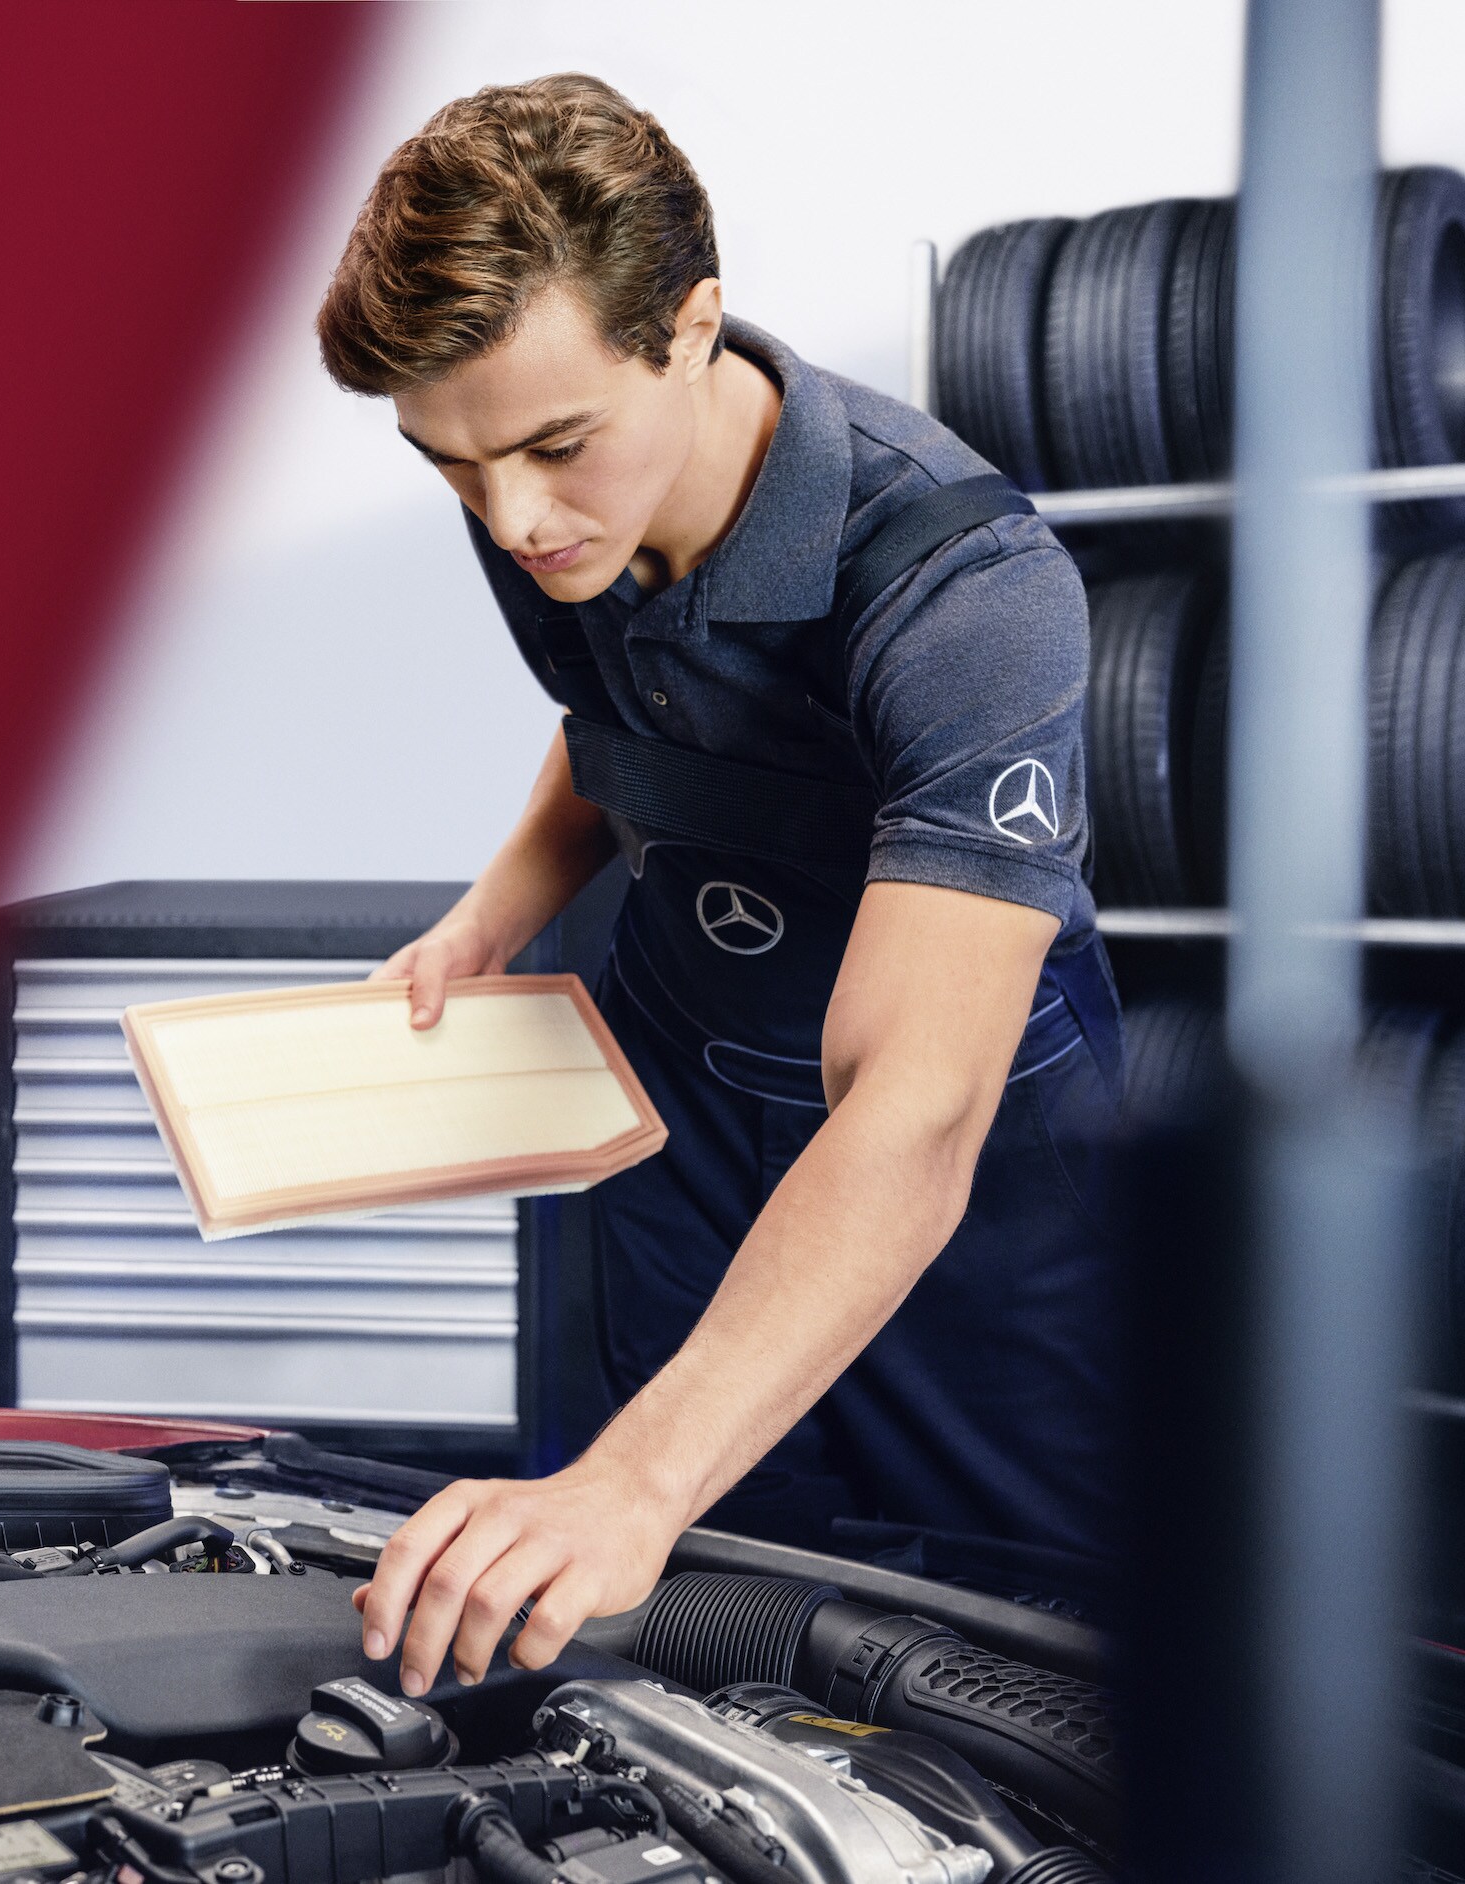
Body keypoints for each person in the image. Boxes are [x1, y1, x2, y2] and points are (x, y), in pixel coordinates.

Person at [317, 74, 1123, 1698]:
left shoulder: (971, 593)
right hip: (677, 1084)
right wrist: (494, 912)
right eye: (452, 466)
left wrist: (631, 1475)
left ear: (690, 328)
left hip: (961, 1129)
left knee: (1018, 1637)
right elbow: (612, 718)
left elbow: (913, 1106)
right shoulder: (536, 490)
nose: (513, 518)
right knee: (704, 1600)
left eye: (552, 448)